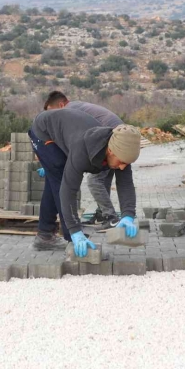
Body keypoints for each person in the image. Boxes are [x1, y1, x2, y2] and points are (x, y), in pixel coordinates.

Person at [30, 108, 140, 257]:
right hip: (44, 132)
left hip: (67, 130)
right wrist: (75, 232)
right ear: (110, 151)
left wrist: (128, 215)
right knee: (60, 179)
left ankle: (44, 235)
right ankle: (73, 239)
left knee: (55, 179)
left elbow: (125, 184)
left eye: (126, 164)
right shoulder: (82, 150)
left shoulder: (121, 149)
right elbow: (68, 190)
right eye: (121, 162)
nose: (122, 167)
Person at [43, 91, 127, 230]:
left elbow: (74, 143)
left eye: (52, 112)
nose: (51, 117)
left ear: (61, 104)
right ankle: (102, 215)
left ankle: (111, 218)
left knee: (94, 181)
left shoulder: (68, 112)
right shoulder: (78, 107)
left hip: (113, 143)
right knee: (102, 180)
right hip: (117, 140)